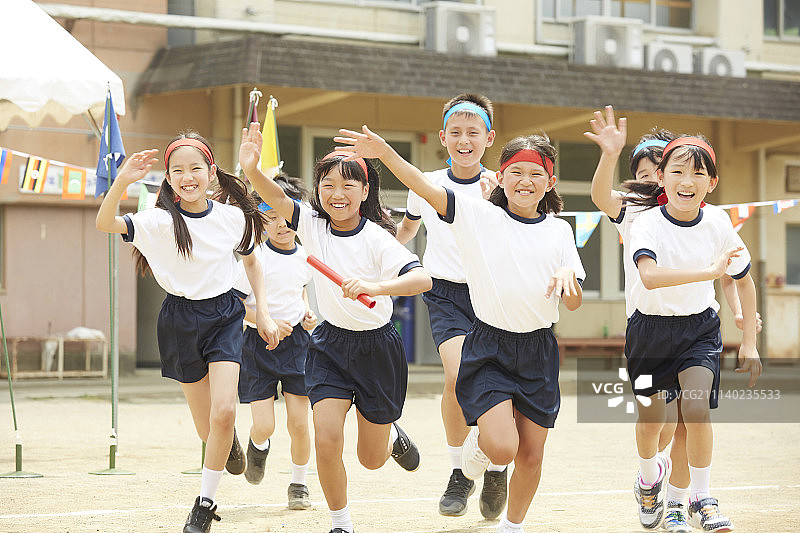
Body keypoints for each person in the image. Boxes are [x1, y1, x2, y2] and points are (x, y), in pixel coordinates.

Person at [335, 126, 585, 533]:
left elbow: (572, 301)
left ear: (550, 182)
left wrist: (566, 277)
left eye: (536, 174)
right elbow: (424, 186)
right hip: (490, 346)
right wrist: (384, 152)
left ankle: (512, 526)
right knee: (503, 446)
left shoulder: (560, 230)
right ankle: (470, 463)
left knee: (531, 456)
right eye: (516, 172)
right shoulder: (478, 216)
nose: (526, 182)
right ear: (500, 177)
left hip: (539, 349)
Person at [239, 122, 433, 533]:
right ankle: (341, 523)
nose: (337, 194)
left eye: (348, 185)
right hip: (329, 346)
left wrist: (376, 286)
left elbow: (422, 280)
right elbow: (276, 197)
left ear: (365, 191)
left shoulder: (379, 239)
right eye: (327, 185)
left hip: (378, 350)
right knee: (326, 438)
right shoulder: (310, 223)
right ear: (318, 191)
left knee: (370, 458)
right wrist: (253, 170)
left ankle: (391, 438)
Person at [585, 108, 762, 532]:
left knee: (694, 414)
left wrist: (749, 337)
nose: (686, 181)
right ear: (662, 178)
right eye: (674, 171)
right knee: (653, 423)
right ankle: (649, 482)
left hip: (698, 329)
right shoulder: (640, 219)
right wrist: (610, 153)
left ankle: (695, 500)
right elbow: (650, 274)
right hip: (648, 331)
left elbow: (741, 278)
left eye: (697, 173)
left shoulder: (717, 220)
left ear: (711, 182)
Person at [95, 132, 280, 533]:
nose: (187, 176)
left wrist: (261, 313)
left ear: (211, 172)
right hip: (179, 320)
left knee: (225, 411)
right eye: (177, 170)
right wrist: (123, 180)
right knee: (209, 428)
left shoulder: (232, 217)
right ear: (168, 177)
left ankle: (204, 504)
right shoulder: (159, 222)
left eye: (196, 168)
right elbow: (104, 222)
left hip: (225, 315)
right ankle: (224, 441)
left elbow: (252, 264)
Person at [395, 93, 507, 518]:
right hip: (444, 292)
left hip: (493, 294)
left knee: (495, 382)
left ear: (488, 138)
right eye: (455, 133)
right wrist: (370, 251)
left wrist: (500, 202)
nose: (464, 140)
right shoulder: (424, 182)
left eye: (472, 133)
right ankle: (461, 471)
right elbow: (405, 230)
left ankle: (495, 466)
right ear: (443, 137)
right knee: (458, 376)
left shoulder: (502, 185)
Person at [234, 175, 317, 510]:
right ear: (260, 221)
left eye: (288, 218)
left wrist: (307, 313)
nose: (282, 225)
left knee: (300, 423)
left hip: (297, 344)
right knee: (264, 424)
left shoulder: (306, 257)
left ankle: (299, 484)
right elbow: (238, 304)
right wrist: (264, 321)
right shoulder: (254, 257)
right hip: (258, 345)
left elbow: (299, 290)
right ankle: (259, 445)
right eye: (272, 218)